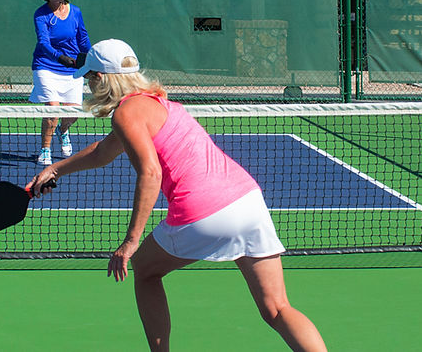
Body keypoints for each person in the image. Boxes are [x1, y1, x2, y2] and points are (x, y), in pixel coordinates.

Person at [27, 39, 326, 352]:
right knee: (277, 309)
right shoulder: (157, 103)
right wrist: (56, 169)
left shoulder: (126, 114)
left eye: (90, 79)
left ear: (101, 79)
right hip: (247, 200)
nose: (89, 86)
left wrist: (131, 242)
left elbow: (151, 173)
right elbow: (103, 152)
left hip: (203, 211)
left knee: (144, 271)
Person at [31, 0, 91, 165]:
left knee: (72, 113)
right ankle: (45, 149)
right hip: (46, 65)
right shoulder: (41, 14)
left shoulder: (76, 12)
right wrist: (60, 57)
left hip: (72, 67)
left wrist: (90, 59)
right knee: (53, 109)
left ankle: (63, 130)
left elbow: (82, 38)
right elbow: (43, 43)